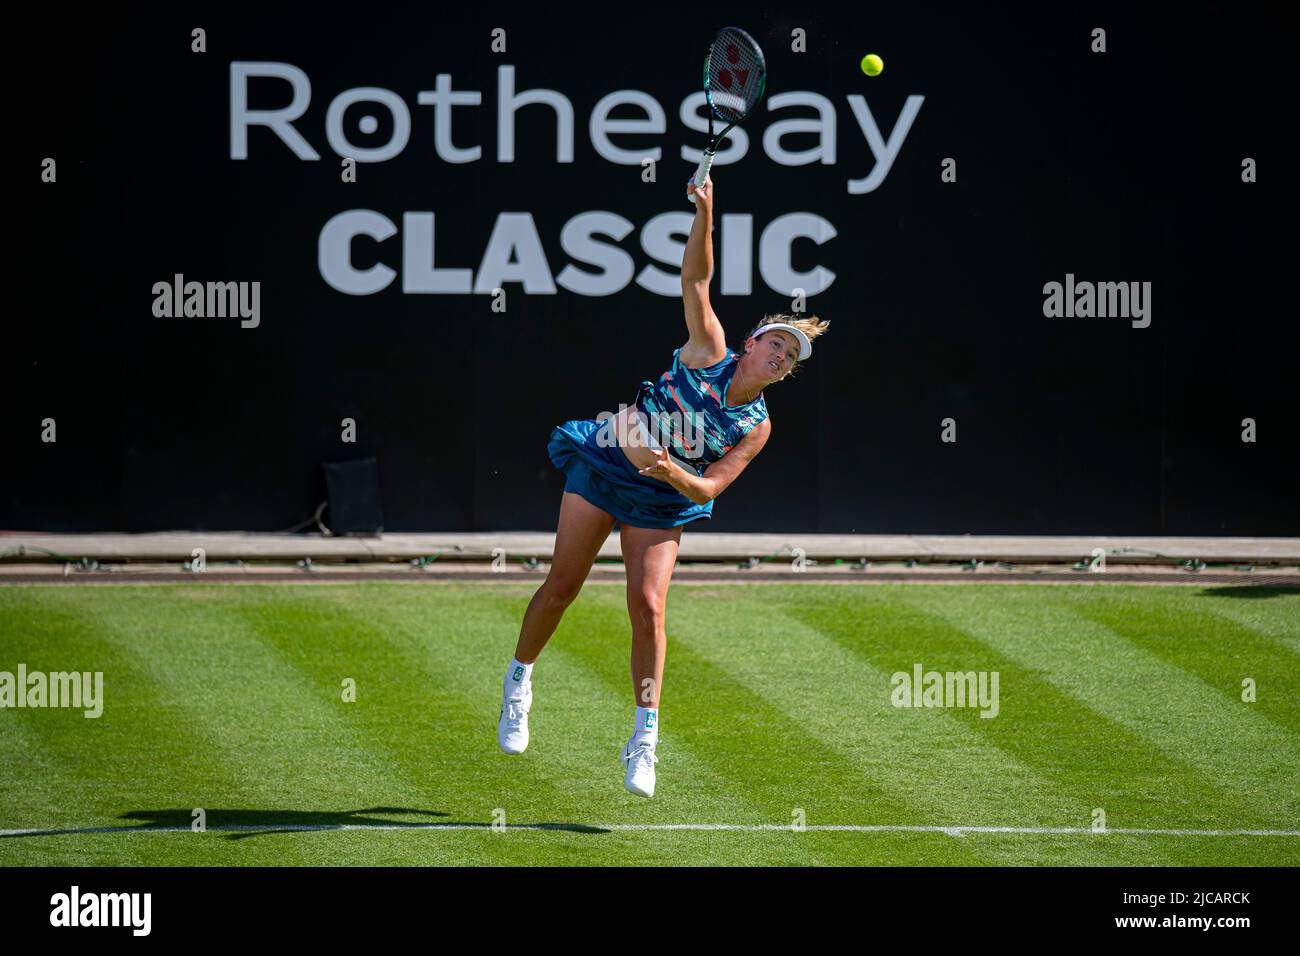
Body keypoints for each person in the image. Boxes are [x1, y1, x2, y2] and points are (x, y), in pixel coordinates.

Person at [497, 174, 829, 797]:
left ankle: (643, 740)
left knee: (648, 609)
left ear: (785, 375)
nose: (782, 357)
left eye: (791, 359)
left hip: (660, 494)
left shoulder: (756, 427)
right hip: (606, 466)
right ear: (753, 343)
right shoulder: (710, 349)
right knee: (562, 586)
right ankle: (520, 682)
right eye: (777, 345)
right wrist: (706, 212)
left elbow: (707, 491)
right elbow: (696, 281)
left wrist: (670, 469)